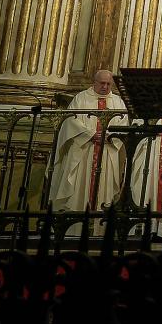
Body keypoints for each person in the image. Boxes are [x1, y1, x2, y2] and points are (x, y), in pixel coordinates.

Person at [49, 70, 128, 216]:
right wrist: (90, 134)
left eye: (108, 84)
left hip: (107, 150)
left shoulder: (118, 102)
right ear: (94, 82)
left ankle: (99, 227)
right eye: (102, 83)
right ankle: (77, 225)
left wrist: (109, 136)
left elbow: (124, 125)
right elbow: (70, 120)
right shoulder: (81, 98)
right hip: (84, 150)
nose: (105, 87)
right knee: (80, 190)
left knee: (103, 192)